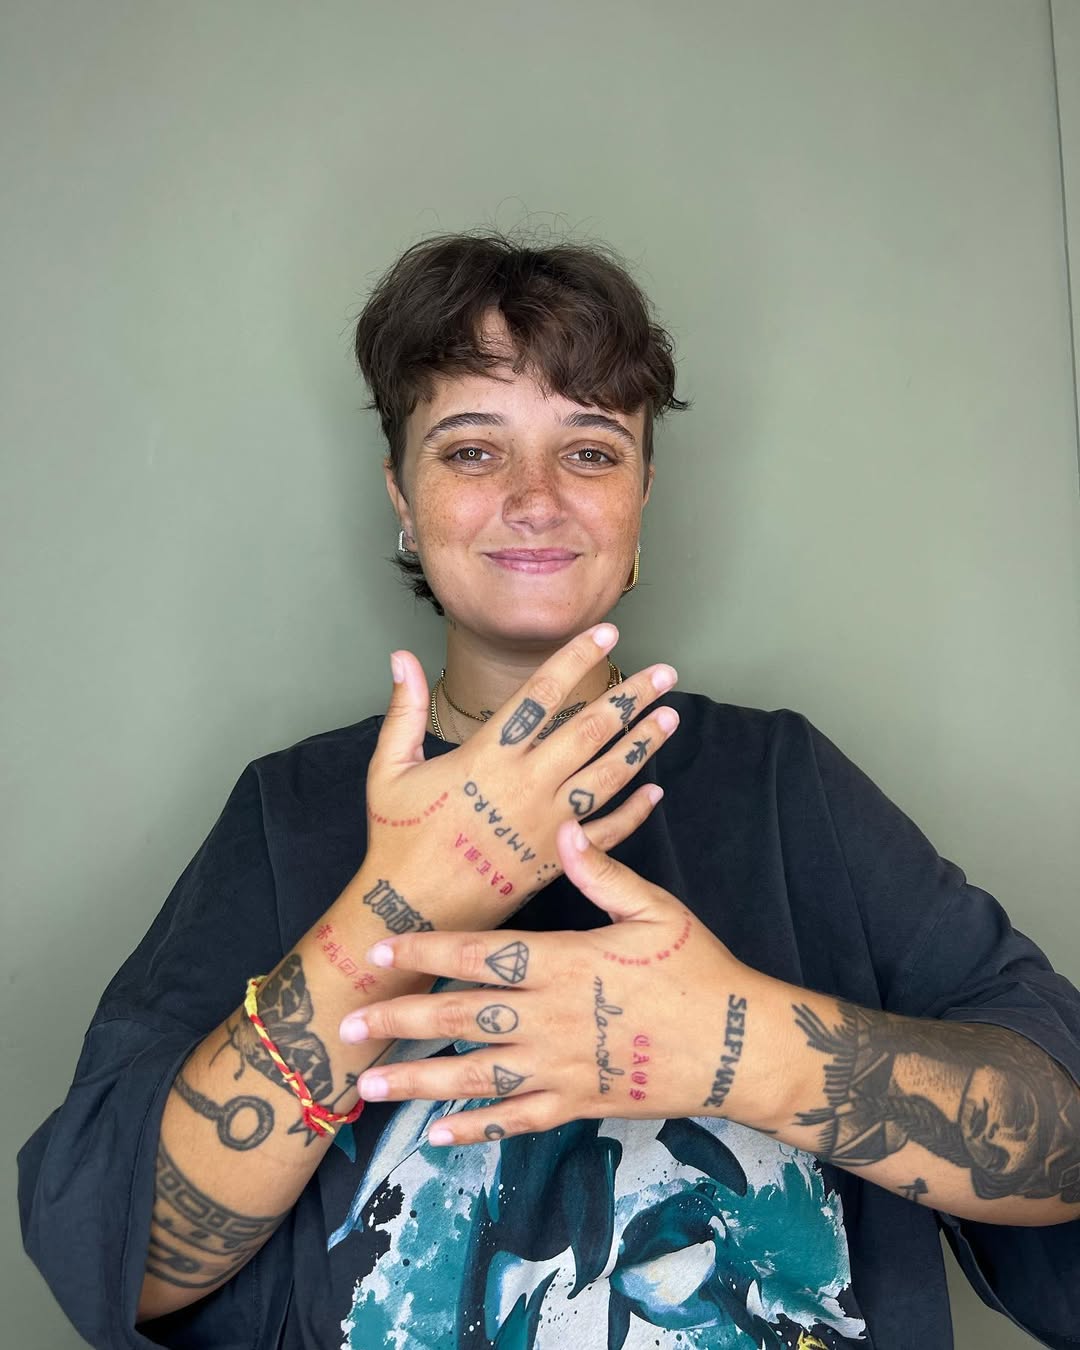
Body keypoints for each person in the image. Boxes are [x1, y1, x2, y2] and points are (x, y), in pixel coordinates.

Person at [18, 231, 1080, 1350]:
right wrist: (396, 909)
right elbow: (128, 1261)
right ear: (402, 495)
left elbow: (1061, 1145)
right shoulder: (287, 810)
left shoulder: (786, 783)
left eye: (590, 450)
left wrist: (734, 1045)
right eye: (473, 451)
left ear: (641, 495)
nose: (535, 499)